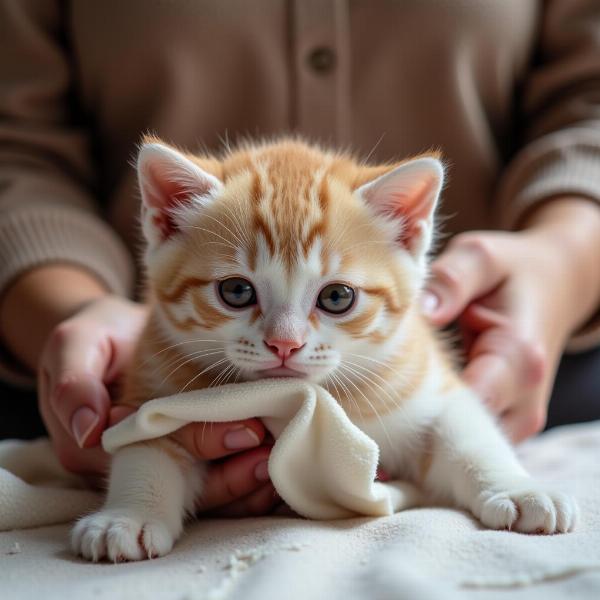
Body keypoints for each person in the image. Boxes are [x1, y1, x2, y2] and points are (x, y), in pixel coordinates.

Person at [1, 1, 599, 516]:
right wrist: (69, 311)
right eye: (237, 292)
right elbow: (17, 145)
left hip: (547, 368)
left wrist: (564, 260)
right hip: (53, 369)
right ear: (166, 222)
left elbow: (444, 423)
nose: (285, 340)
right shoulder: (166, 357)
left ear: (408, 237)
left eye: (335, 297)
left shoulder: (395, 363)